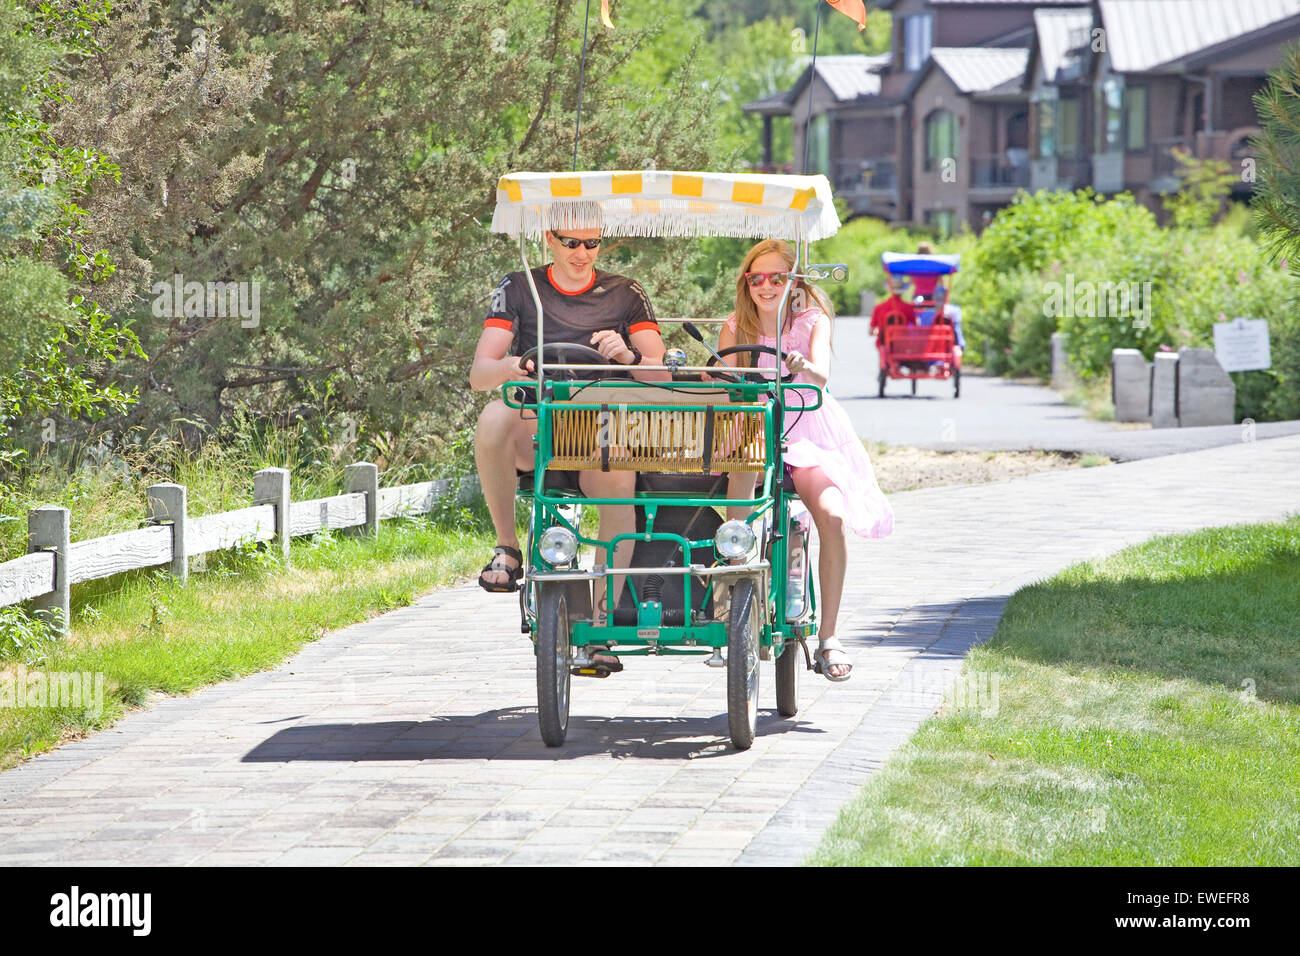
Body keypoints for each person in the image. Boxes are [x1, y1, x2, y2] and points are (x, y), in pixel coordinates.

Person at [717, 239, 894, 682]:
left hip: (809, 431)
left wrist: (801, 365)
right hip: (754, 430)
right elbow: (721, 383)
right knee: (742, 476)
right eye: (756, 277)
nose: (766, 285)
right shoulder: (735, 326)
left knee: (831, 516)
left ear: (794, 281)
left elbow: (821, 373)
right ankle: (734, 604)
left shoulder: (812, 320)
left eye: (777, 277)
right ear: (746, 282)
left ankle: (829, 636)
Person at [470, 226, 667, 604]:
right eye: (571, 243)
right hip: (539, 424)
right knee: (494, 415)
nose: (583, 253)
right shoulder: (519, 286)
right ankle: (507, 547)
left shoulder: (626, 292)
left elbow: (662, 375)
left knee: (619, 475)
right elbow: (480, 375)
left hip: (603, 426)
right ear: (550, 239)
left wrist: (627, 356)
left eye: (592, 244)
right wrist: (510, 366)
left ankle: (602, 618)